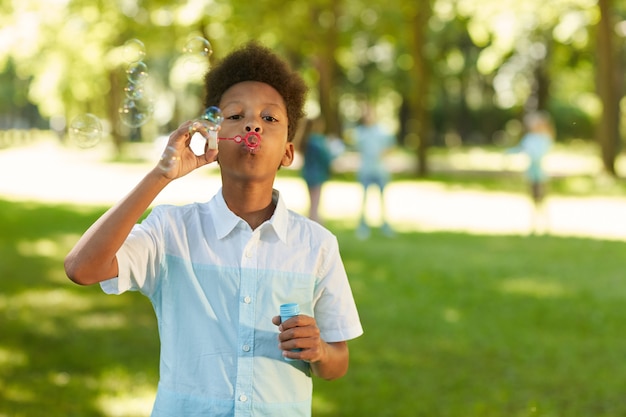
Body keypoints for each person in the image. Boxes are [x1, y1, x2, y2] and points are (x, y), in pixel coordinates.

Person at [64, 42, 363, 417]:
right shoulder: (171, 231)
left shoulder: (316, 245)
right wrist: (161, 176)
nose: (253, 124)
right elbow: (82, 268)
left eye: (269, 119)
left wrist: (319, 350)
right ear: (214, 139)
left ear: (288, 152)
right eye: (235, 116)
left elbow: (338, 362)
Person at [506, 110, 554, 233]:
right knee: (533, 200)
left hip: (541, 174)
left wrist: (532, 154)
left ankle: (546, 225)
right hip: (531, 174)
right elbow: (520, 149)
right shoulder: (529, 138)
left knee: (542, 199)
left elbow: (539, 154)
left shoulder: (545, 138)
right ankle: (534, 224)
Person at [353, 104, 396, 239]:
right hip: (366, 171)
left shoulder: (382, 132)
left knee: (382, 200)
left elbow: (391, 146)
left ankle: (385, 225)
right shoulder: (360, 133)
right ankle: (363, 226)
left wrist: (382, 154)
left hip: (380, 171)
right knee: (364, 200)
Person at [299, 116, 335, 224]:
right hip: (317, 175)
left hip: (307, 174)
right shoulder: (318, 141)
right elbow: (326, 158)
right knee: (315, 204)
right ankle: (315, 225)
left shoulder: (305, 139)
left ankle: (311, 223)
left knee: (312, 202)